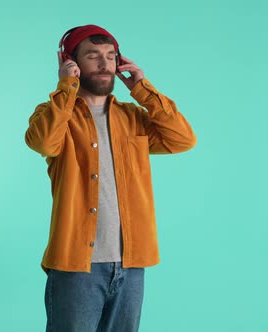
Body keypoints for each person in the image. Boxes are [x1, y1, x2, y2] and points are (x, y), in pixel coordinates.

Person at [24, 24, 196, 332]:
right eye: (93, 56)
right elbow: (43, 142)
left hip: (131, 263)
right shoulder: (54, 114)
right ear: (70, 62)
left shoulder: (133, 118)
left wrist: (142, 88)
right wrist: (66, 87)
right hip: (76, 264)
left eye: (111, 56)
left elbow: (182, 139)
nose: (105, 64)